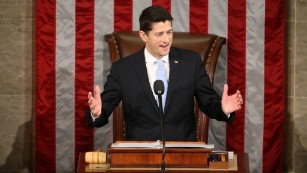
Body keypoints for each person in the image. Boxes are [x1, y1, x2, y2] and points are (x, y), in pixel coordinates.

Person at [85, 6, 243, 141]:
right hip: (140, 155)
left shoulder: (191, 62)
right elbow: (103, 109)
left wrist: (223, 109)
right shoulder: (123, 69)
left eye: (169, 32)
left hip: (184, 153)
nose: (166, 39)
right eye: (159, 34)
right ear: (143, 36)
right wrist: (96, 113)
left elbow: (208, 102)